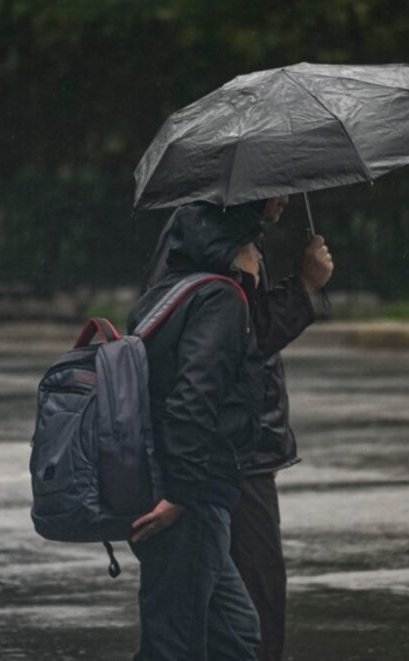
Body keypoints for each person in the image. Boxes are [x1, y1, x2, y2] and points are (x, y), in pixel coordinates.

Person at [141, 195, 334, 661]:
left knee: (227, 625)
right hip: (221, 464)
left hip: (219, 462)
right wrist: (304, 286)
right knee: (222, 622)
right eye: (277, 187)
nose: (285, 197)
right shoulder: (218, 269)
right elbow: (212, 371)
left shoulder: (207, 240)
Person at [125, 201, 269, 660]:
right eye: (253, 244)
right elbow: (194, 396)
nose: (259, 255)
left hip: (166, 482)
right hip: (191, 496)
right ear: (233, 246)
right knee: (175, 644)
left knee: (235, 633)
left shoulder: (167, 295)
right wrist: (181, 495)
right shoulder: (221, 299)